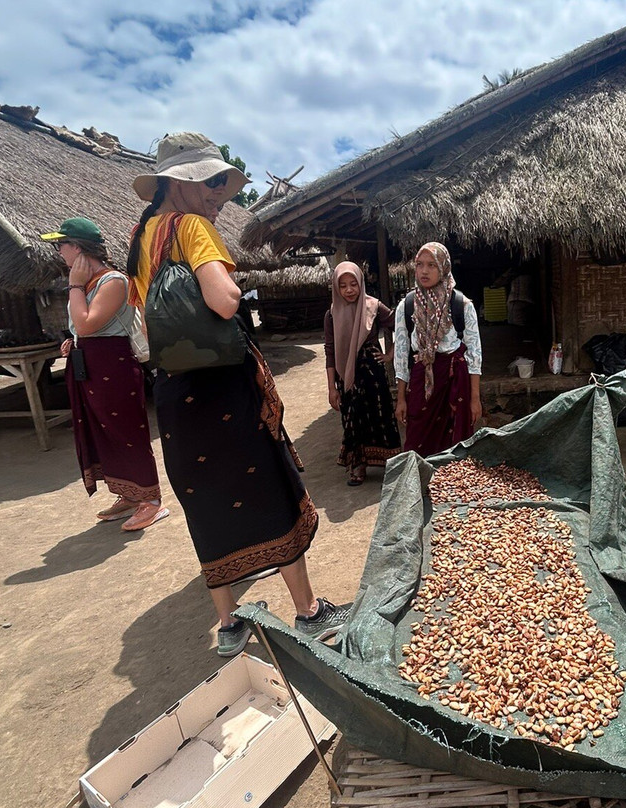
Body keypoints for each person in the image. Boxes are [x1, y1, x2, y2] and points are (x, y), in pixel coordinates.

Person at [128, 132, 350, 657]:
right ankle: (309, 612)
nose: (216, 195)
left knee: (205, 500)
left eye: (219, 185)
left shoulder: (141, 238)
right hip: (223, 386)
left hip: (176, 390)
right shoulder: (191, 227)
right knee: (268, 484)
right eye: (209, 182)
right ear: (178, 184)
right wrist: (235, 284)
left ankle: (229, 623)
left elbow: (143, 319)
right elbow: (224, 301)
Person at [40, 217, 168, 532]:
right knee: (103, 431)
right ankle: (127, 493)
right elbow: (82, 327)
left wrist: (73, 286)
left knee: (126, 432)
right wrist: (74, 340)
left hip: (113, 365)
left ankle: (151, 501)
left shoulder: (112, 281)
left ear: (79, 247)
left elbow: (87, 323)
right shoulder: (88, 284)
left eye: (61, 244)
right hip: (91, 363)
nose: (59, 252)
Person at [394, 242, 482, 456]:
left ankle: (452, 489)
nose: (424, 271)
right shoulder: (407, 306)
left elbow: (474, 354)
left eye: (432, 265)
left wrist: (474, 398)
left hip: (454, 382)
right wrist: (401, 398)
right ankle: (423, 488)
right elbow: (402, 354)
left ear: (443, 267)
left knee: (455, 448)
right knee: (417, 443)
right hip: (420, 381)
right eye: (420, 264)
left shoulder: (461, 305)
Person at [324, 262, 401, 485]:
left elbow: (402, 327)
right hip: (346, 375)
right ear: (336, 288)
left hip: (372, 373)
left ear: (361, 284)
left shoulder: (374, 306)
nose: (349, 290)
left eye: (353, 284)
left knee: (380, 415)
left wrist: (389, 355)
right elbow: (330, 352)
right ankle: (358, 465)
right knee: (352, 417)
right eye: (343, 285)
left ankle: (390, 462)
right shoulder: (331, 314)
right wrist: (331, 388)